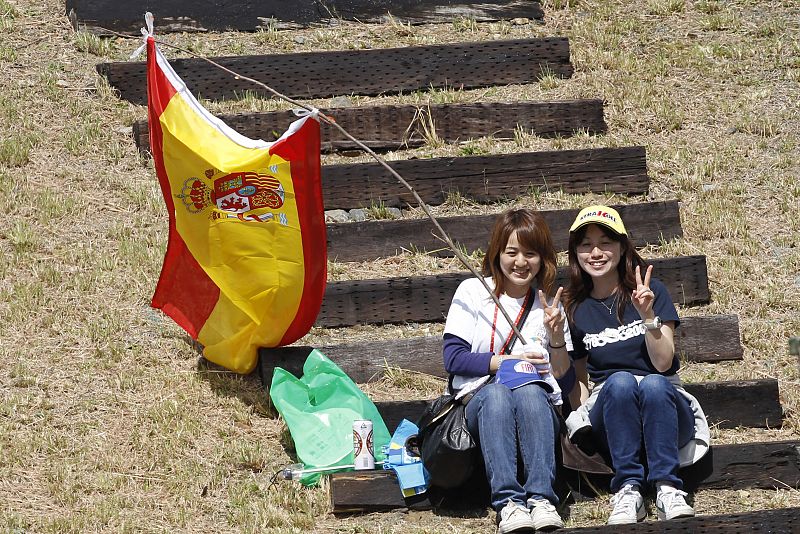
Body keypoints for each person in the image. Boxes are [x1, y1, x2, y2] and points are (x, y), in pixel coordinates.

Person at [562, 205, 710, 525]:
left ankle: (668, 487)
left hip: (665, 404)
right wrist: (582, 418)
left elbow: (663, 361)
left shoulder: (650, 291)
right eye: (586, 244)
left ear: (622, 247)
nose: (596, 252)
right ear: (575, 252)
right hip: (613, 410)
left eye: (606, 242)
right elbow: (581, 380)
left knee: (653, 382)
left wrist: (647, 316)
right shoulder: (575, 309)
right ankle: (628, 489)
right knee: (619, 381)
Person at [443, 208, 571, 533]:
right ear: (497, 253)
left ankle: (541, 499)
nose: (520, 262)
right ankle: (510, 504)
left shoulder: (550, 308)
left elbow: (565, 379)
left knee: (530, 391)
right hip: (481, 402)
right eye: (511, 252)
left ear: (543, 259)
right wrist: (505, 362)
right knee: (498, 394)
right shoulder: (473, 292)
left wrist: (556, 337)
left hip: (537, 407)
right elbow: (453, 358)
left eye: (531, 253)